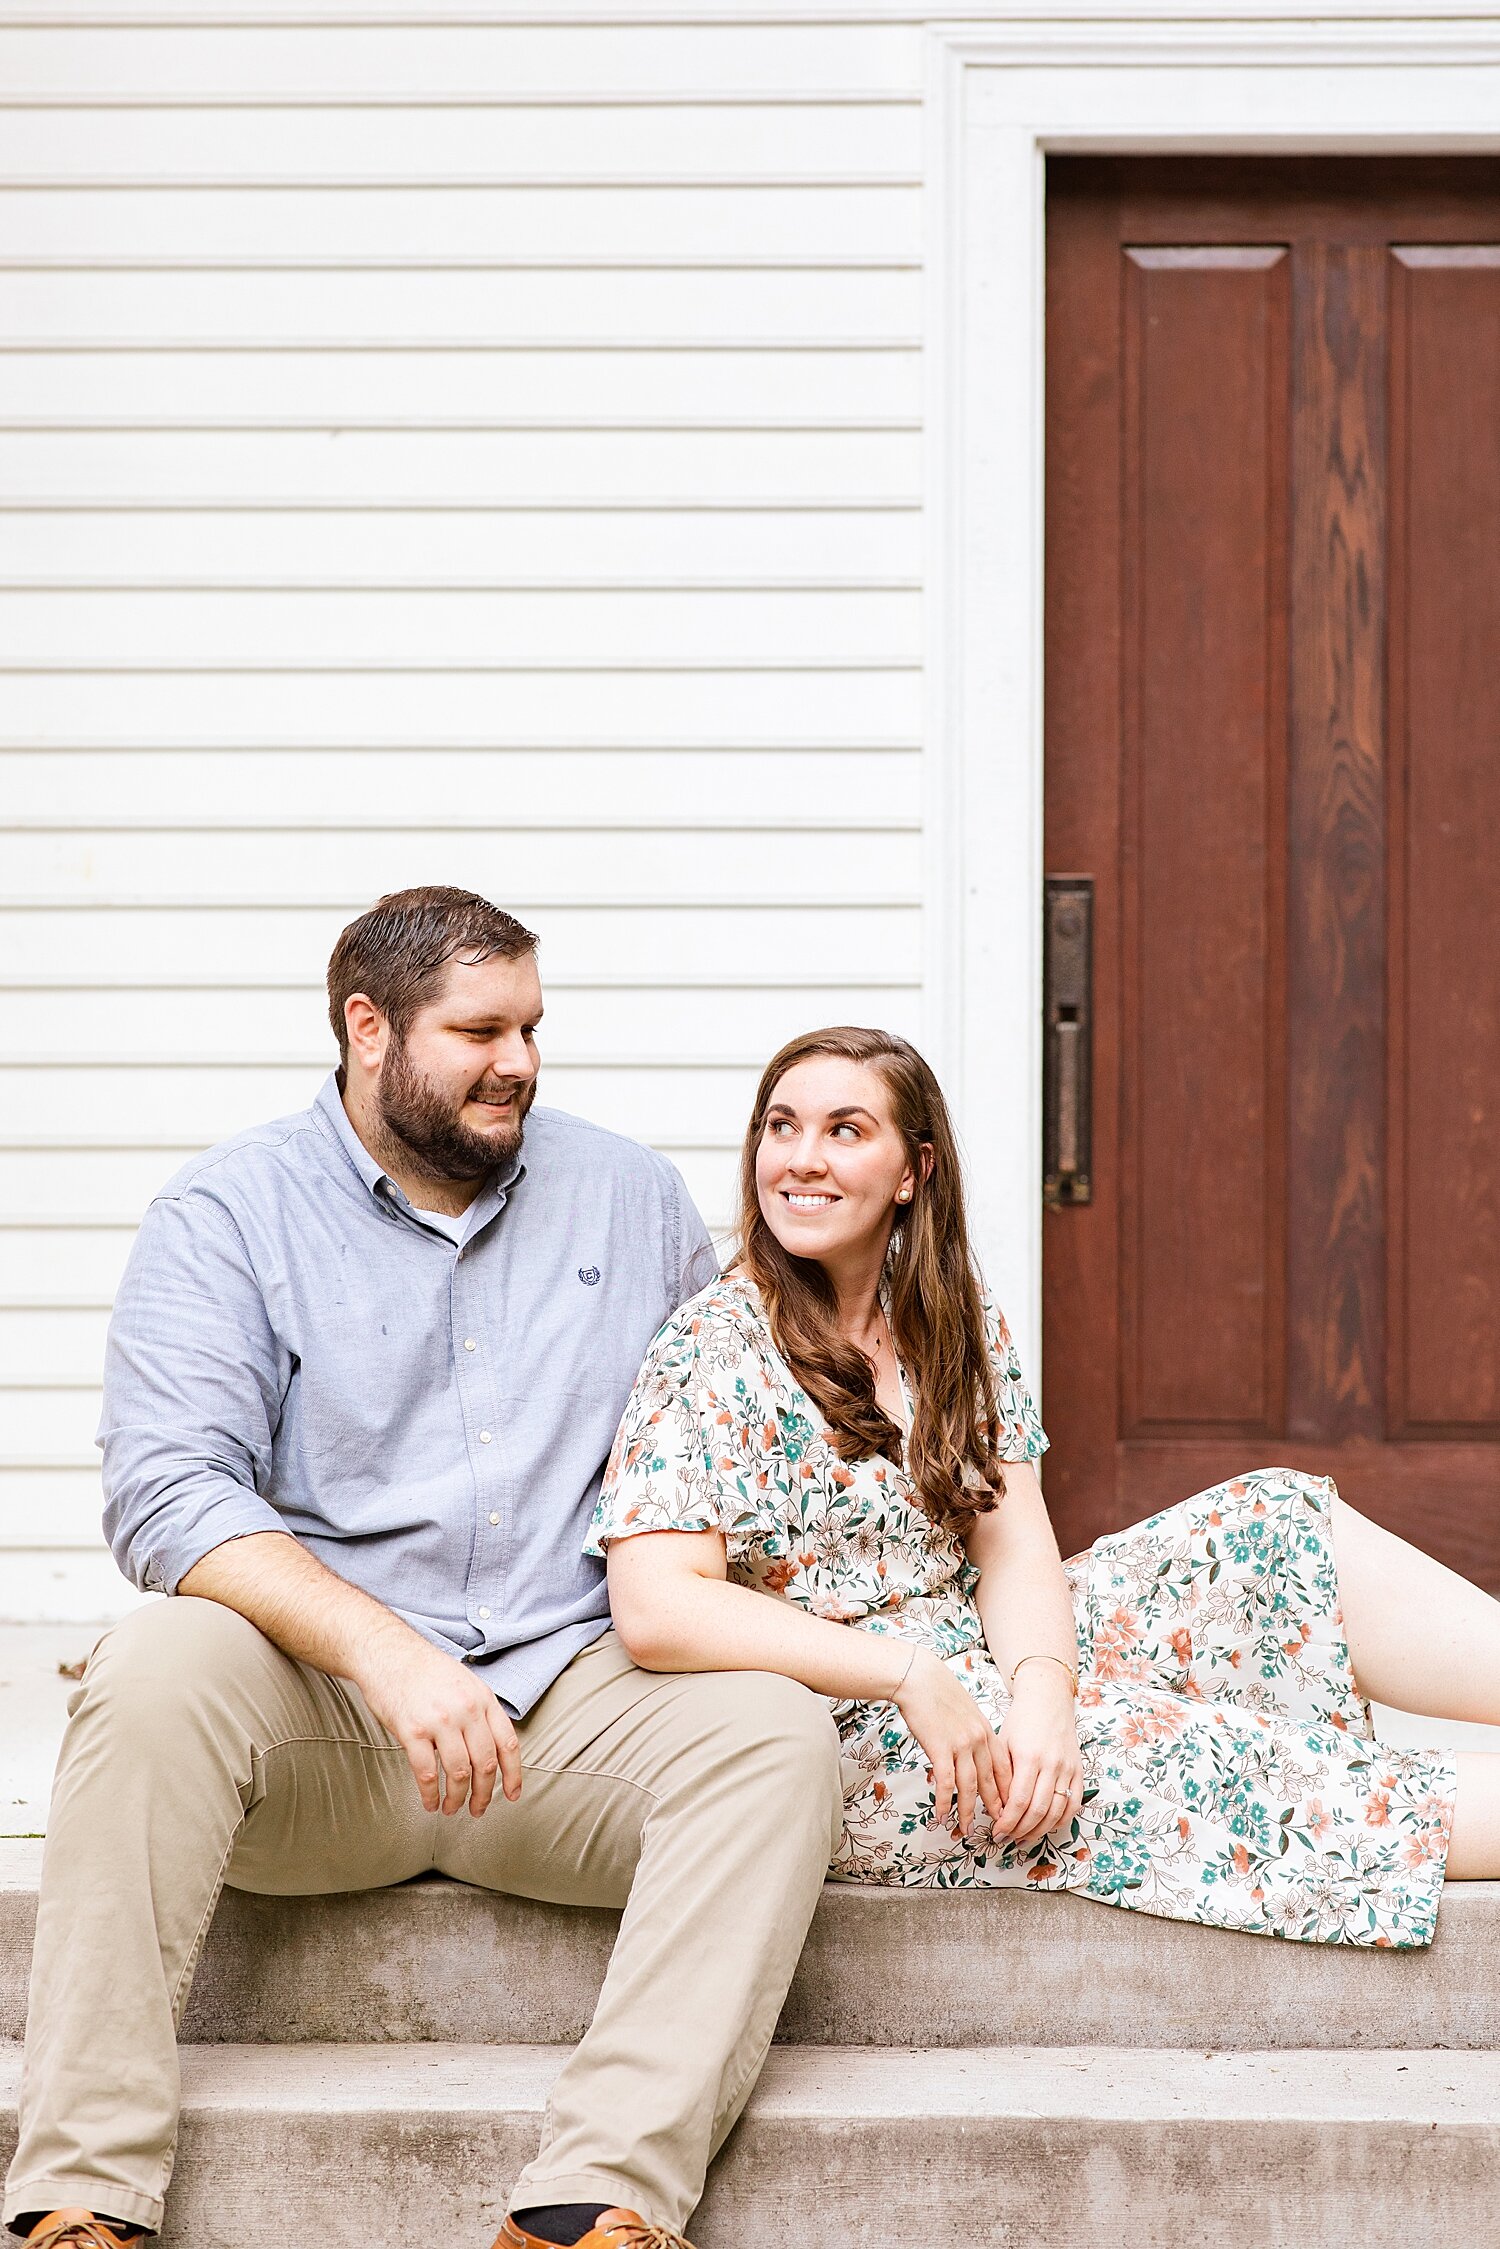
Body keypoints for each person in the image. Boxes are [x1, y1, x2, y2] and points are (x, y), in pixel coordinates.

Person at [3, 888, 845, 2249]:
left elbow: (722, 1446)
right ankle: (82, 2199)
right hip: (325, 1725)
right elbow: (166, 1494)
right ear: (366, 1026)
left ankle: (597, 2201)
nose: (516, 1059)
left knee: (773, 1735)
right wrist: (386, 1654)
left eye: (531, 1027)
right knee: (151, 1662)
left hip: (566, 1725)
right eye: (479, 1029)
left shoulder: (632, 1199)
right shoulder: (227, 1212)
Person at [592, 1023, 1500, 1940]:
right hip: (852, 1722)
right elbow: (659, 1607)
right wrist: (913, 1674)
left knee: (1270, 1523)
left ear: (914, 1169)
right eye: (781, 1128)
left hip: (968, 1655)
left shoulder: (945, 1318)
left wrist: (1043, 1691)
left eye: (844, 1130)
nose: (800, 1159)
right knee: (1169, 1751)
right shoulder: (713, 1345)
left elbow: (1015, 1543)